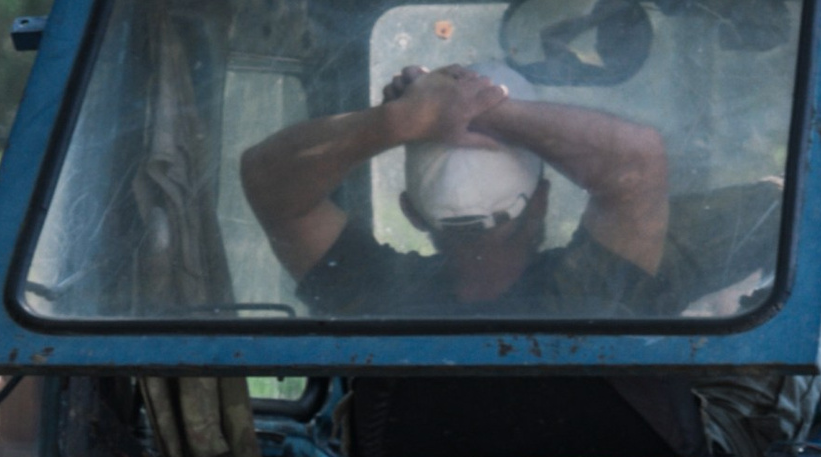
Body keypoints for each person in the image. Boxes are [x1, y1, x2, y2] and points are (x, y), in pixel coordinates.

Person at [240, 58, 748, 317]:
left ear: (412, 212)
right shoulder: (593, 291)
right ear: (543, 199)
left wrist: (401, 120)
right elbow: (637, 159)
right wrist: (493, 111)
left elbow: (267, 180)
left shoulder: (373, 296)